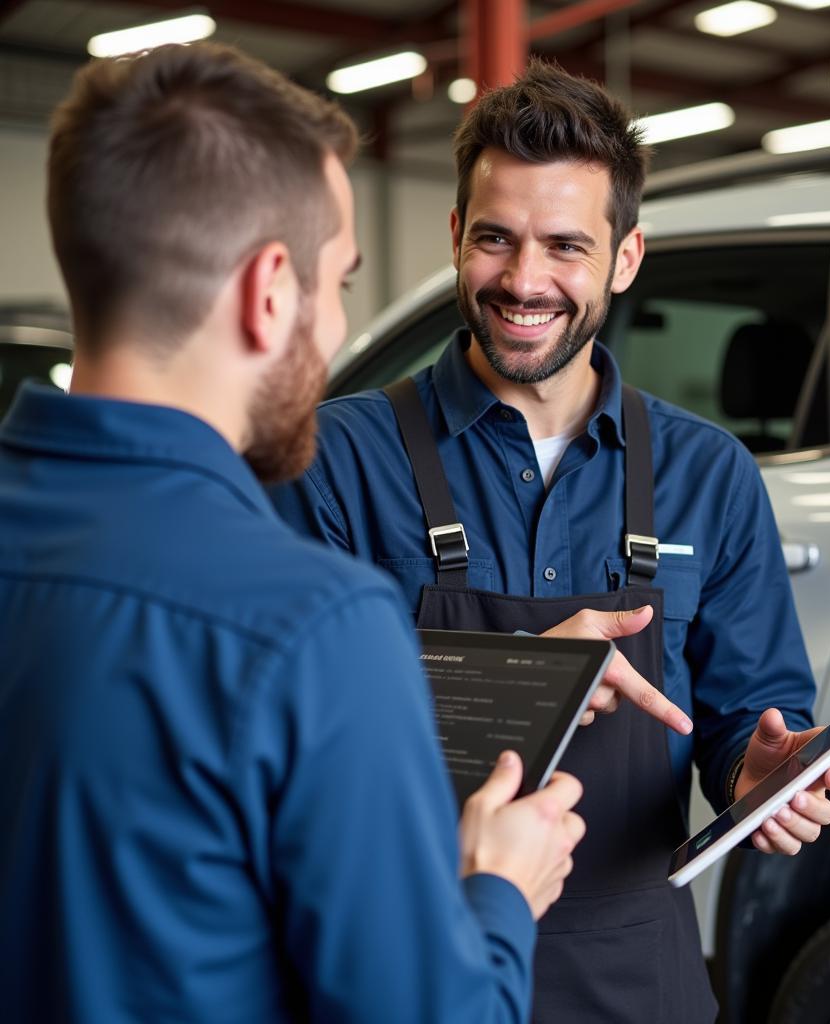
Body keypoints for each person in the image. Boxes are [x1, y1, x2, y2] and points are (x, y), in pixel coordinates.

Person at [0, 43, 588, 1024]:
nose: (333, 331)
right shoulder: (310, 626)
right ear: (271, 291)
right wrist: (497, 890)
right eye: (339, 283)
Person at [270, 60, 830, 1023]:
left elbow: (747, 712)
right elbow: (299, 741)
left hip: (643, 985)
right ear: (456, 238)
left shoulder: (711, 476)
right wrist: (529, 688)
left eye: (566, 247)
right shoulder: (336, 461)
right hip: (411, 972)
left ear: (624, 258)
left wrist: (759, 772)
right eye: (496, 239)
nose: (525, 281)